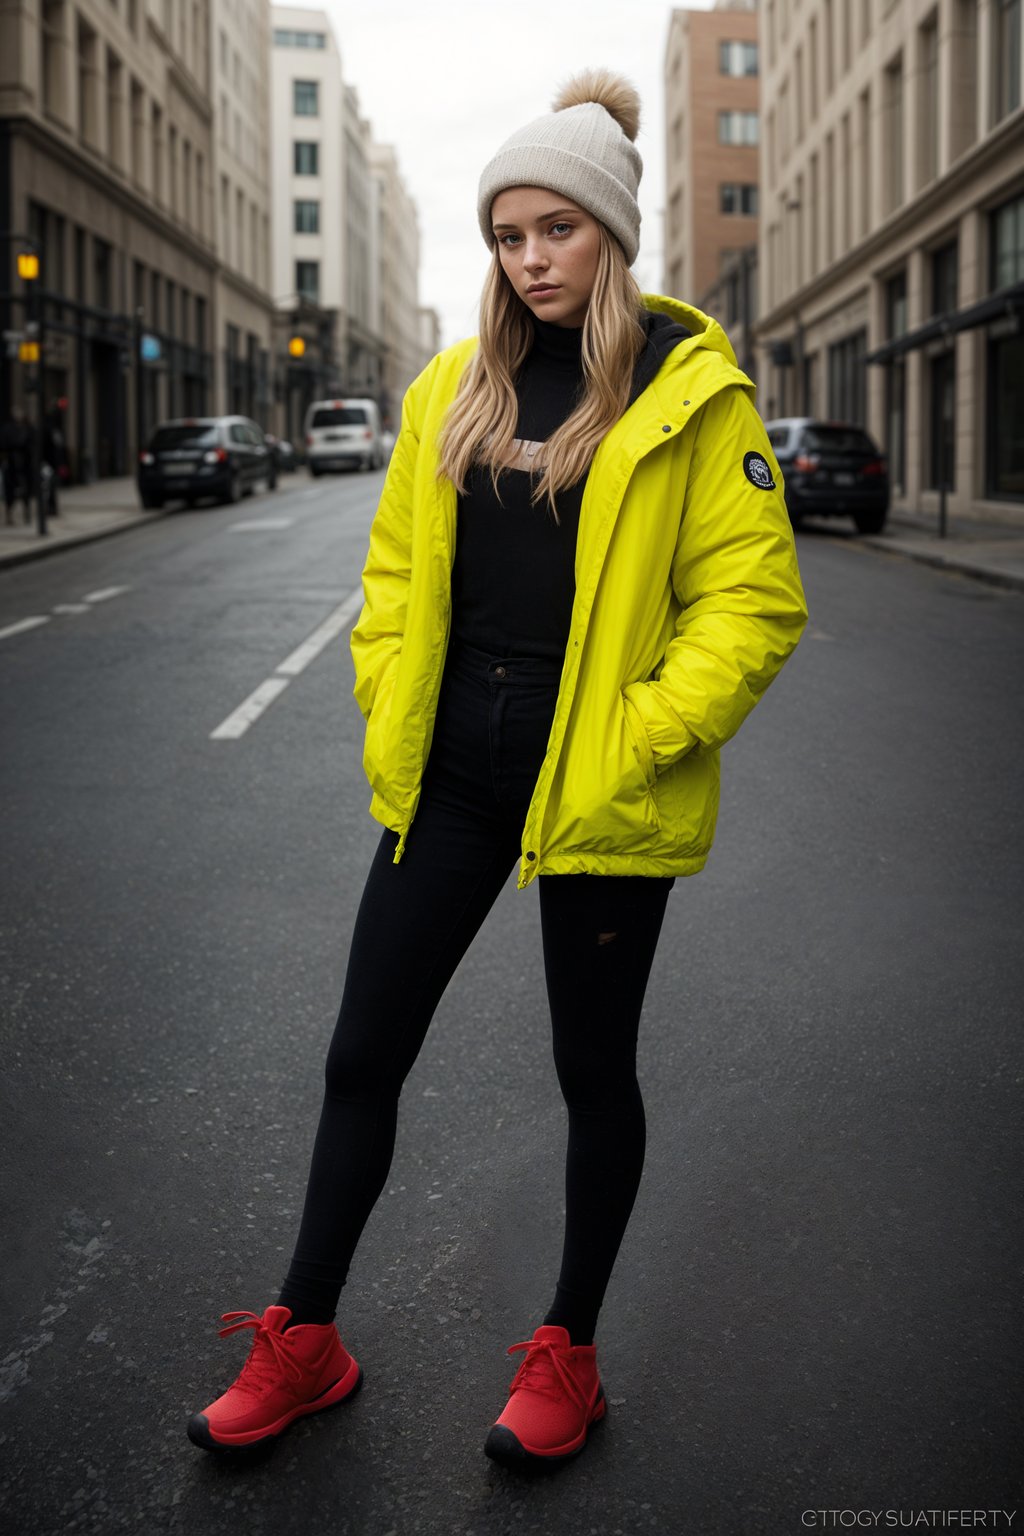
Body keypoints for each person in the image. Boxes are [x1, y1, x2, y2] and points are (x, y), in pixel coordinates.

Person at [188, 69, 808, 1468]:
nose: (529, 259)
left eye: (555, 230)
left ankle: (567, 1354)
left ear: (609, 233)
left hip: (600, 782)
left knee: (593, 1070)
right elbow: (396, 575)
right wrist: (383, 698)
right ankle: (306, 1336)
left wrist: (646, 731)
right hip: (453, 777)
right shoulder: (449, 388)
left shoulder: (689, 392)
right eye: (507, 234)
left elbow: (754, 599)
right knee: (363, 1053)